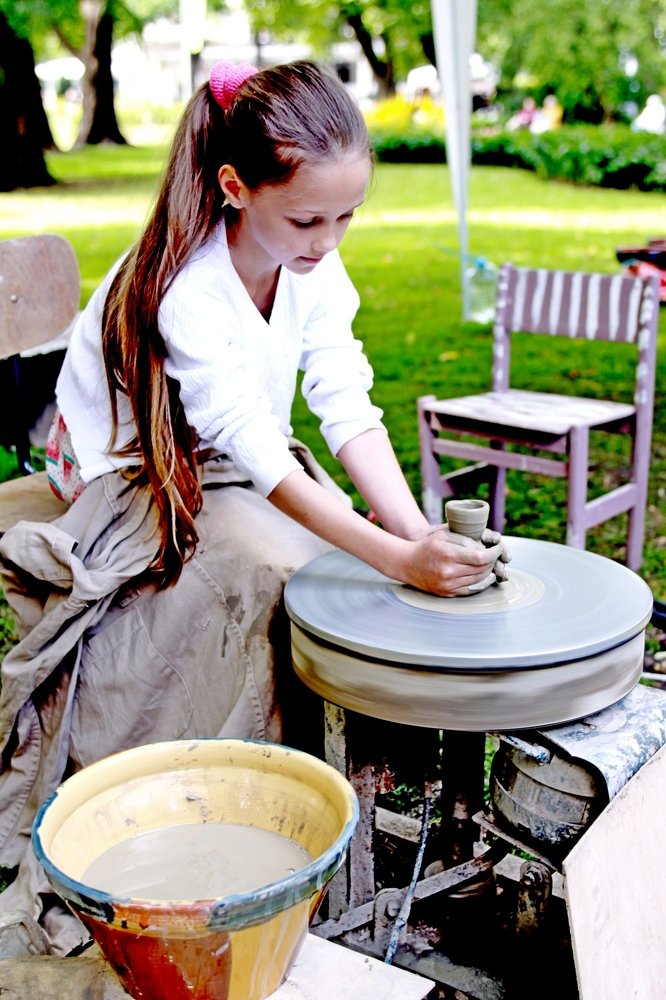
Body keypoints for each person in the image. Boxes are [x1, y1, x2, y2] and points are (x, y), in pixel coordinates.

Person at [0, 59, 508, 953]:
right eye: (307, 218)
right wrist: (393, 561)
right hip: (120, 466)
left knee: (336, 564)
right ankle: (222, 800)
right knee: (284, 573)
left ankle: (322, 788)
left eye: (347, 216)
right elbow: (257, 449)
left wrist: (413, 531)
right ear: (234, 187)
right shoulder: (188, 287)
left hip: (226, 454)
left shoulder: (311, 264)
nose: (326, 239)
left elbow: (345, 402)